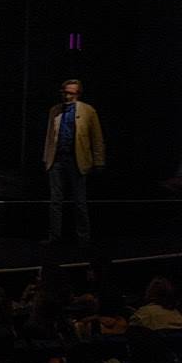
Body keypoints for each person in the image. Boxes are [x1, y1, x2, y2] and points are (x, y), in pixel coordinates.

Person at [42, 79, 105, 246]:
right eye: (64, 92)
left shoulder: (88, 111)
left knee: (79, 201)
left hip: (77, 160)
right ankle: (54, 237)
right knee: (55, 201)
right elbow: (49, 136)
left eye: (70, 92)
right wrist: (46, 158)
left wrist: (99, 161)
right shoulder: (55, 110)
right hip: (57, 160)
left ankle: (83, 237)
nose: (66, 95)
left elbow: (97, 138)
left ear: (78, 94)